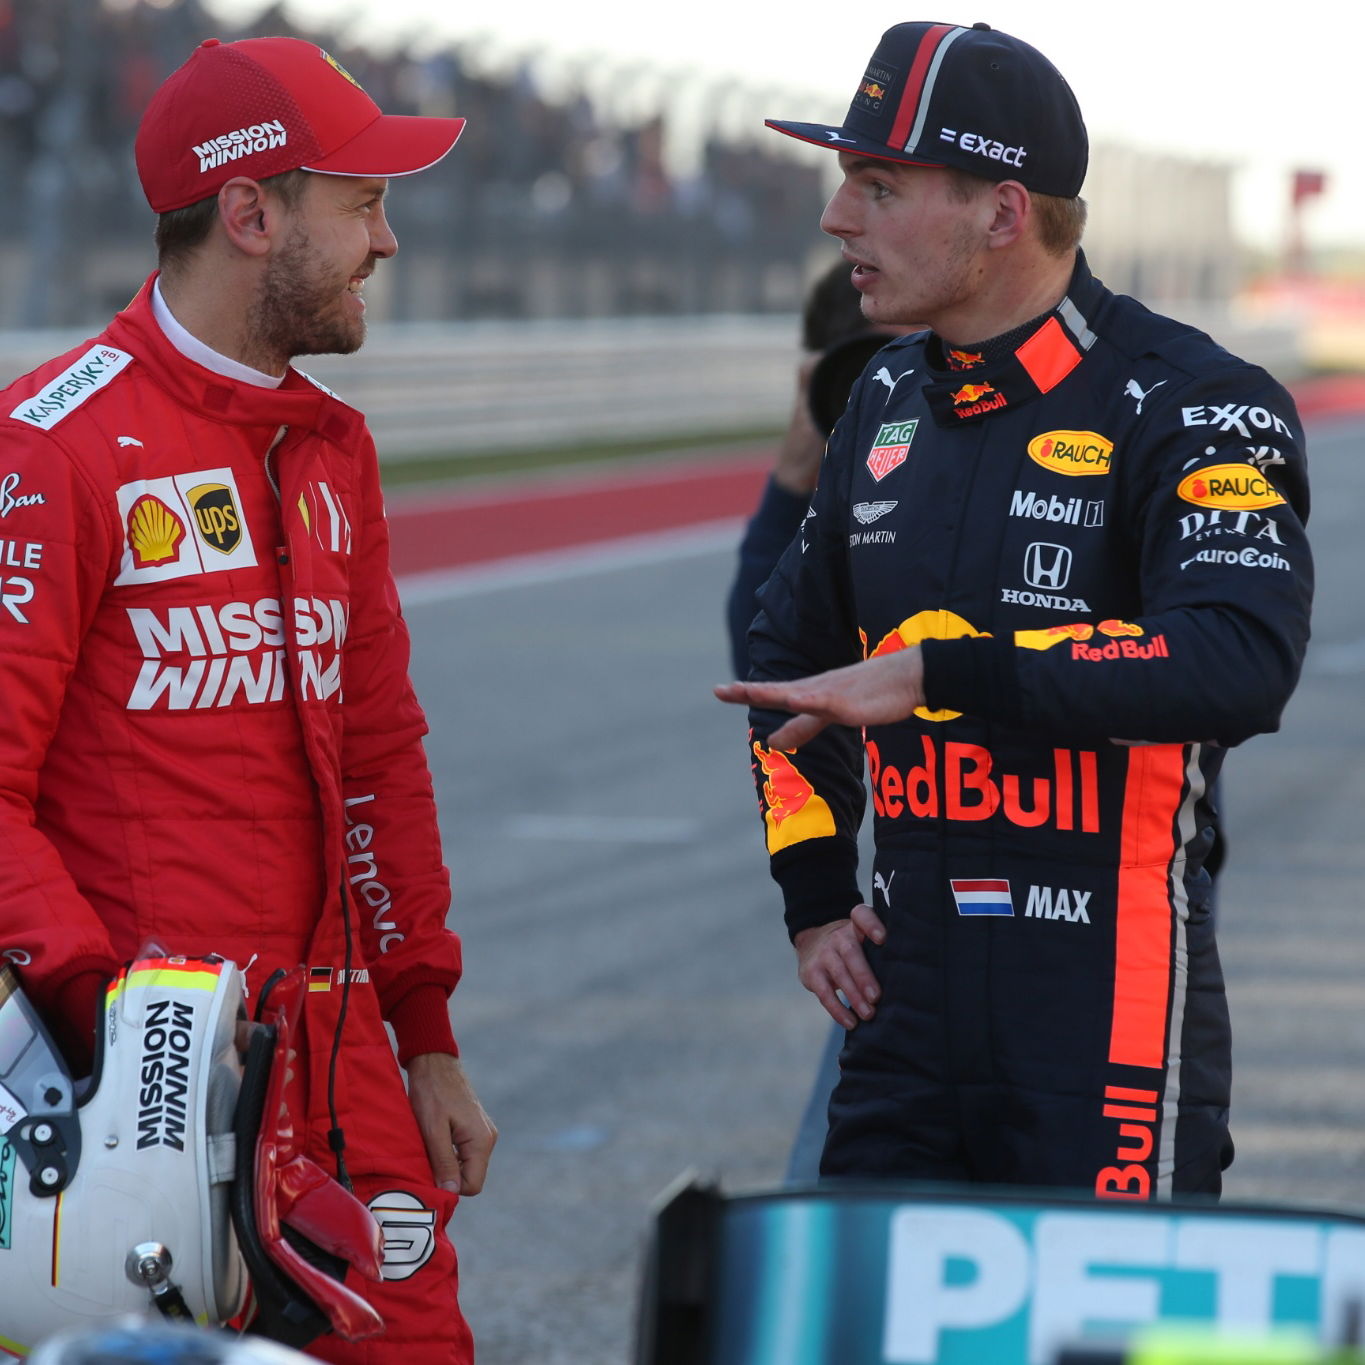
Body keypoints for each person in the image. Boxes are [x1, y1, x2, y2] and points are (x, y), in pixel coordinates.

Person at [716, 20, 1312, 1199]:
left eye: (878, 185)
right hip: (903, 1015)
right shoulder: (881, 400)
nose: (840, 218)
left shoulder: (1194, 404)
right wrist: (817, 897)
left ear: (1003, 211)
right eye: (846, 181)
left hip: (1106, 1019)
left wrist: (945, 673)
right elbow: (784, 666)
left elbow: (1237, 656)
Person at [0, 35, 494, 1362]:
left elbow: (383, 758)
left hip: (342, 1067)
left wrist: (426, 1030)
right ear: (251, 212)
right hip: (143, 1091)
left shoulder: (333, 447)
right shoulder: (53, 447)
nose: (386, 241)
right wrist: (121, 1037)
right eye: (363, 203)